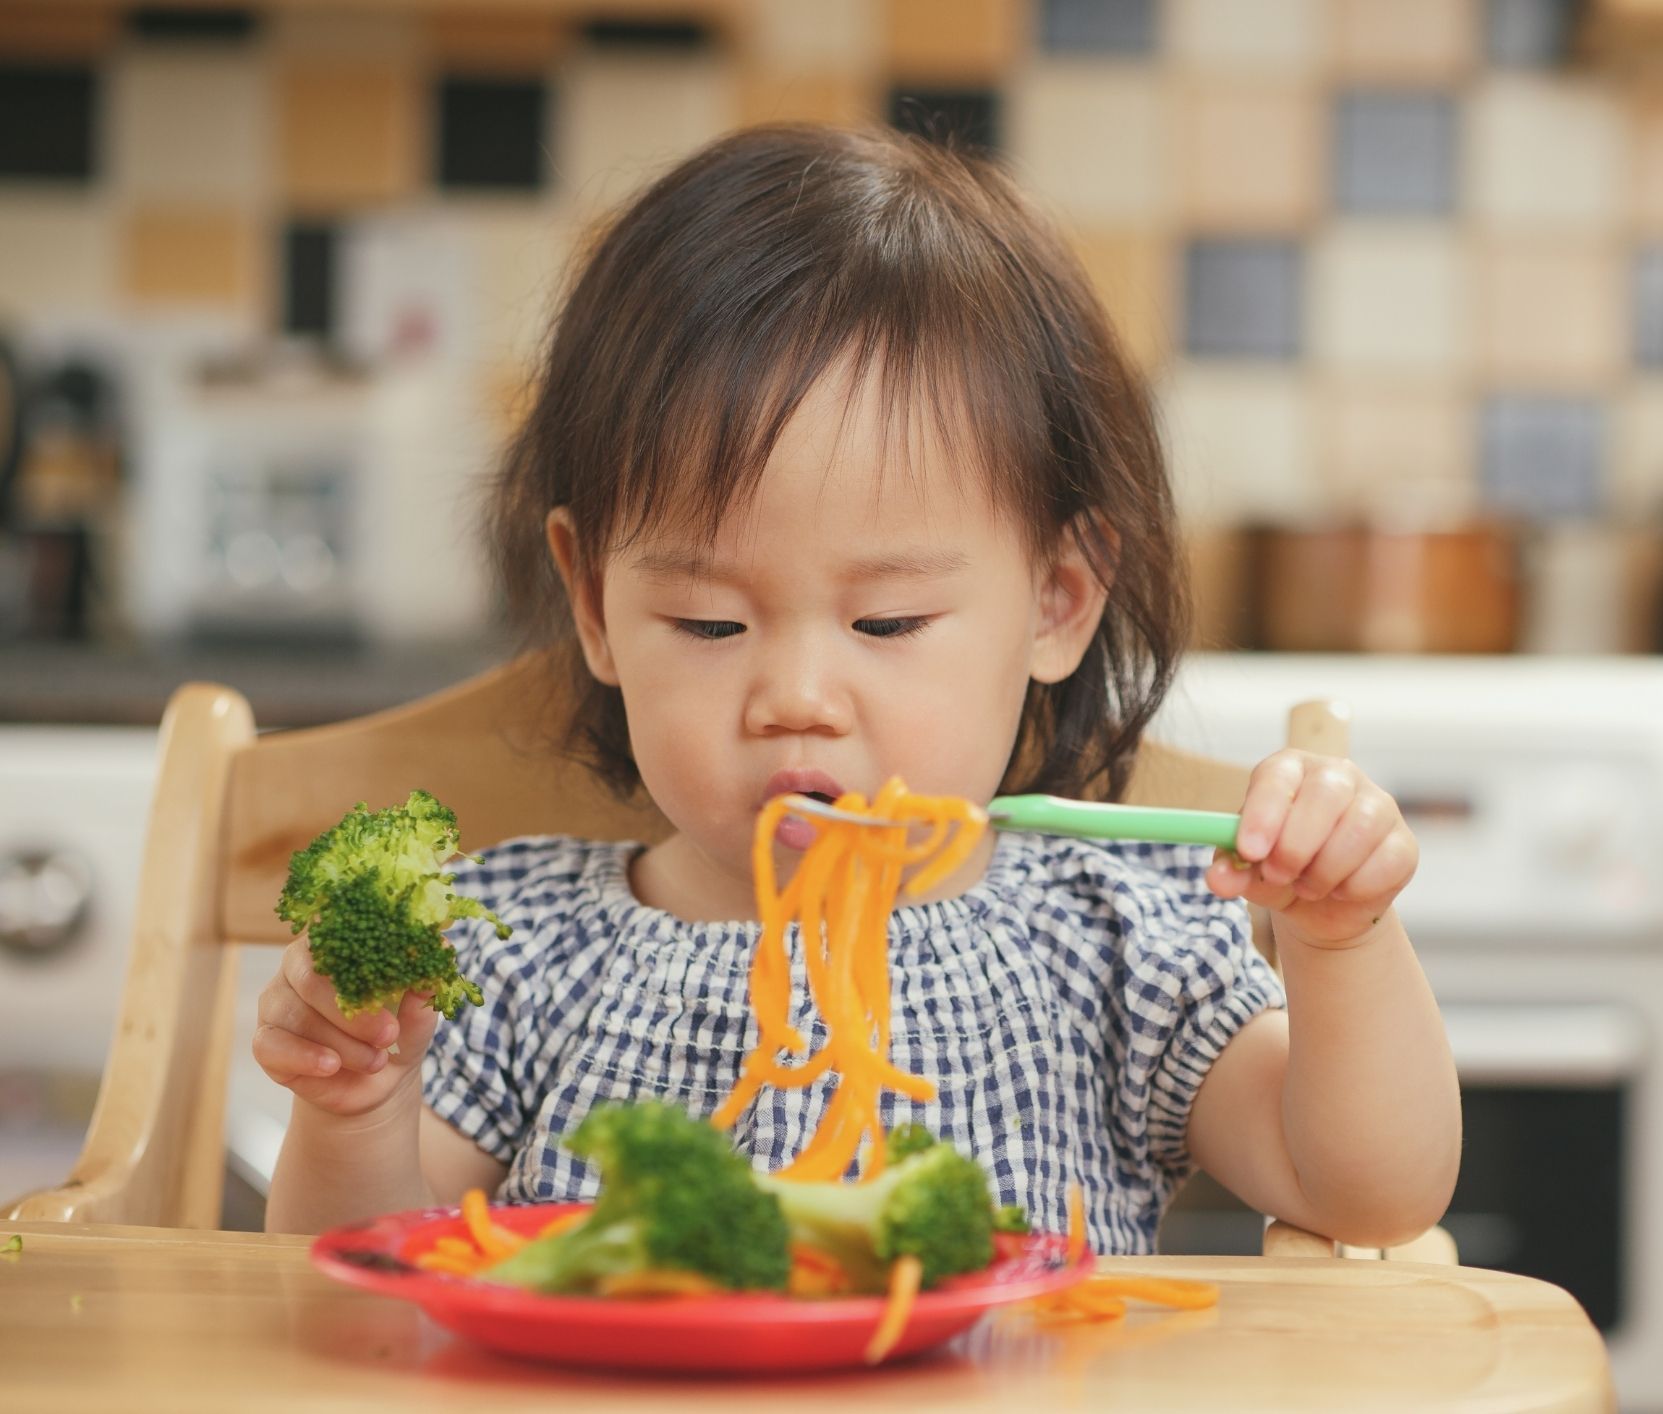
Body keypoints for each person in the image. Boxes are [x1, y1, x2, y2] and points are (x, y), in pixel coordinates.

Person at [258, 125, 1459, 1253]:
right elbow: (358, 1282)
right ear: (593, 605)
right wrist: (358, 1111)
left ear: (1057, 601)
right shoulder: (508, 948)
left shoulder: (1113, 938)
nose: (793, 695)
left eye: (884, 620)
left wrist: (1340, 941)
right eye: (707, 620)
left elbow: (1369, 1191)